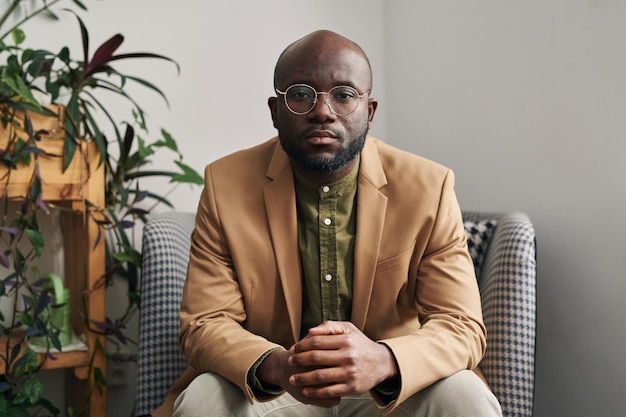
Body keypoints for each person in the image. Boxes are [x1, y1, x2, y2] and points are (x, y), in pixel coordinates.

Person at [152, 30, 502, 417]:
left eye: (344, 94)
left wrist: (383, 359)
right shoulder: (225, 185)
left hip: (388, 387)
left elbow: (461, 325)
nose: (322, 111)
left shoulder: (428, 188)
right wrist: (278, 365)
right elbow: (204, 323)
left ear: (368, 111)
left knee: (464, 395)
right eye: (301, 93)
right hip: (277, 387)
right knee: (205, 398)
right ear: (275, 110)